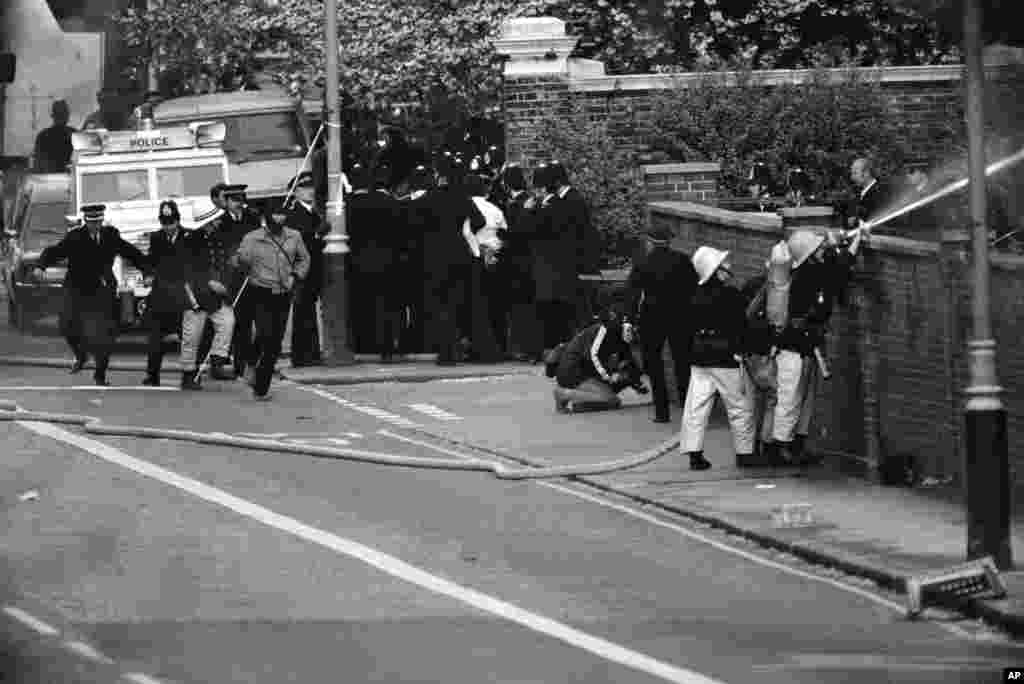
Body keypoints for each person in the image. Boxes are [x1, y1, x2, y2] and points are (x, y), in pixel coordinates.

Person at [764, 228, 864, 466]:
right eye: (818, 248)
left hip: (804, 345)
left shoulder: (809, 271)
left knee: (803, 399)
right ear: (809, 255)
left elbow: (835, 268)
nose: (823, 249)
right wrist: (849, 243)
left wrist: (849, 242)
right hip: (794, 347)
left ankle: (794, 445)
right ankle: (779, 448)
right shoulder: (809, 275)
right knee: (790, 398)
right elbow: (838, 272)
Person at [35, 204, 150, 386]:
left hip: (101, 290)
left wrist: (147, 270)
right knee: (66, 325)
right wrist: (41, 266)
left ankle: (100, 375)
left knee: (103, 334)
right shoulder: (75, 236)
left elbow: (131, 252)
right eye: (91, 223)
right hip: (76, 288)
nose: (95, 226)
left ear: (102, 221)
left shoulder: (111, 235)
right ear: (85, 222)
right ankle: (81, 355)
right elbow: (55, 252)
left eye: (98, 222)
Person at [680, 246, 756, 472]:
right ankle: (744, 454)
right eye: (725, 265)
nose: (729, 267)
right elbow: (741, 327)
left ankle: (695, 455)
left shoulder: (691, 295)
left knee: (696, 406)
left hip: (699, 357)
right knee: (739, 407)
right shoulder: (730, 295)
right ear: (716, 270)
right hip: (726, 358)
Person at [232, 202, 310, 400]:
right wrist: (241, 260)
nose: (278, 219)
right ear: (267, 219)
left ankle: (260, 383)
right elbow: (241, 260)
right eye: (274, 215)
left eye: (281, 215)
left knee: (275, 340)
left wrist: (295, 276)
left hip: (284, 293)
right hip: (260, 291)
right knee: (267, 336)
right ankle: (259, 380)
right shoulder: (252, 238)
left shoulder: (294, 236)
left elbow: (304, 259)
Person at [626, 224, 699, 423]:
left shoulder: (643, 262)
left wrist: (629, 319)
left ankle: (662, 411)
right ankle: (688, 409)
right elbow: (694, 289)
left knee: (654, 365)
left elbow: (632, 295)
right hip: (681, 317)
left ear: (650, 242)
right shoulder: (683, 260)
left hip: (652, 318)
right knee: (683, 363)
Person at [421, 157, 486, 365]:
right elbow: (479, 220)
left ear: (439, 176)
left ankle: (445, 351)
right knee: (455, 303)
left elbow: (413, 219)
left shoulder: (429, 197)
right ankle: (456, 347)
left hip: (435, 255)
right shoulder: (462, 197)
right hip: (459, 253)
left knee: (439, 304)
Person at [345, 164, 405, 360]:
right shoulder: (388, 202)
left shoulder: (348, 205)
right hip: (388, 261)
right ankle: (387, 347)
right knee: (387, 306)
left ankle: (363, 345)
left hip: (358, 262)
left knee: (362, 306)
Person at [182, 194, 239, 386]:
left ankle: (217, 361)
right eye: (214, 220)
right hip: (195, 296)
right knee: (192, 337)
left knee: (227, 321)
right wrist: (208, 282)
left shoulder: (218, 237)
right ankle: (188, 375)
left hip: (215, 297)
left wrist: (225, 283)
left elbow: (222, 263)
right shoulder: (190, 241)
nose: (217, 223)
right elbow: (187, 271)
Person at [551, 307, 646, 414]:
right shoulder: (605, 330)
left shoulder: (622, 338)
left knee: (616, 386)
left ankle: (583, 403)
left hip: (585, 371)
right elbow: (592, 356)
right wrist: (609, 377)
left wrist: (637, 382)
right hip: (573, 372)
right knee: (612, 400)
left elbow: (628, 362)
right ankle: (563, 393)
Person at [142, 201, 193, 388]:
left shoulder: (190, 236)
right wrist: (147, 275)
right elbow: (150, 261)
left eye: (171, 223)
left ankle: (189, 376)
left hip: (183, 293)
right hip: (161, 293)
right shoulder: (156, 237)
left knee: (188, 337)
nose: (168, 227)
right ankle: (152, 374)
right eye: (164, 223)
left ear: (178, 221)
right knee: (155, 337)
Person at [493, 164, 539, 361]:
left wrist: (503, 235)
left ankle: (526, 348)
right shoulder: (525, 201)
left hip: (517, 262)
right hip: (525, 262)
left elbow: (517, 232)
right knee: (524, 308)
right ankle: (526, 347)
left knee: (520, 309)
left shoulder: (518, 204)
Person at [216, 184, 262, 377]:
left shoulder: (252, 218)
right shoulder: (220, 223)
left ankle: (257, 361)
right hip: (234, 279)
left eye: (241, 200)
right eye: (234, 200)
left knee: (259, 321)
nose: (238, 204)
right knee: (240, 323)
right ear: (226, 202)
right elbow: (219, 251)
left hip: (255, 276)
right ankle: (240, 364)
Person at [287, 172, 328, 367]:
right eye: (304, 188)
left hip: (314, 268)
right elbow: (299, 241)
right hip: (301, 269)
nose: (309, 192)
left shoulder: (313, 212)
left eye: (311, 188)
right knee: (303, 312)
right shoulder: (293, 214)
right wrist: (317, 234)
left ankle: (311, 353)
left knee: (308, 312)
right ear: (295, 192)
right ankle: (301, 355)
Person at [464, 172, 505, 362]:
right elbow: (504, 234)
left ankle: (477, 347)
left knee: (474, 306)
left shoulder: (465, 207)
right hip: (494, 259)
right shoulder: (495, 209)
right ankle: (498, 345)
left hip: (473, 258)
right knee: (494, 305)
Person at [33, 100, 76, 174]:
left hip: (51, 180)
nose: (62, 117)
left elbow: (38, 166)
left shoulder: (42, 136)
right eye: (60, 114)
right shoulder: (75, 135)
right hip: (68, 179)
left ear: (53, 116)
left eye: (62, 114)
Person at [848, 156, 891, 229]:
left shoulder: (879, 193)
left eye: (855, 173)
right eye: (852, 174)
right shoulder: (860, 193)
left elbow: (877, 221)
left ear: (866, 173)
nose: (852, 177)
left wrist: (856, 221)